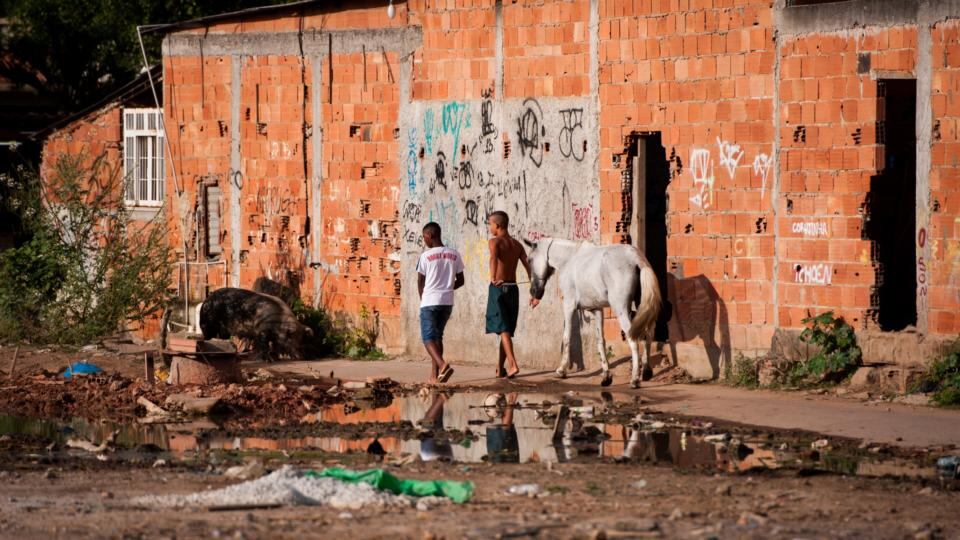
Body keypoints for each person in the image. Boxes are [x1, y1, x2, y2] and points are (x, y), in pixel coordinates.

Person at [486, 211, 538, 379]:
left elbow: (493, 258)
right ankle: (500, 368)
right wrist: (534, 290)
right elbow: (528, 266)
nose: (489, 227)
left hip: (499, 288)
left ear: (497, 225)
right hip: (513, 289)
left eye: (490, 224)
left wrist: (493, 278)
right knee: (506, 329)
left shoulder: (494, 242)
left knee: (503, 328)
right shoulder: (516, 245)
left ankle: (513, 364)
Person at [417, 222, 465, 384]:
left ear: (429, 236)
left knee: (428, 338)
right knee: (438, 337)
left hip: (430, 301)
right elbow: (461, 281)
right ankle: (435, 375)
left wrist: (422, 298)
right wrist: (447, 288)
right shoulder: (454, 254)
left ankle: (443, 365)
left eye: (424, 237)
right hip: (447, 302)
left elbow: (420, 281)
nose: (424, 240)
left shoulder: (425, 256)